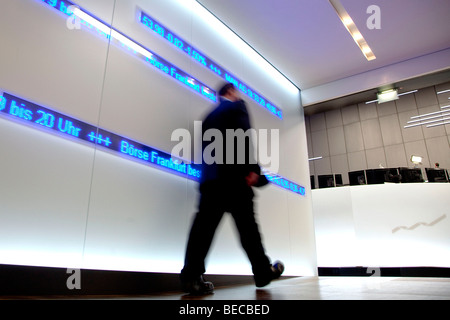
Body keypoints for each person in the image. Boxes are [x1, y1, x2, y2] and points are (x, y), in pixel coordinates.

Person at [180, 82, 284, 295]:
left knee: (203, 230)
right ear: (230, 92)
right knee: (249, 231)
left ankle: (192, 277)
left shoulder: (209, 117)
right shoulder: (237, 107)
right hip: (236, 181)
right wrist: (253, 170)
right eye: (237, 92)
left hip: (212, 181)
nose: (239, 95)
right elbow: (243, 138)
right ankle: (263, 272)